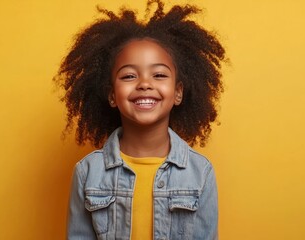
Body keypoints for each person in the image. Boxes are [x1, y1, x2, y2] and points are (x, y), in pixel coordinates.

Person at [54, 0, 226, 239]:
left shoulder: (200, 172)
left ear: (178, 92)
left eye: (158, 74)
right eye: (129, 75)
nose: (145, 84)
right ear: (112, 95)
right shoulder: (88, 172)